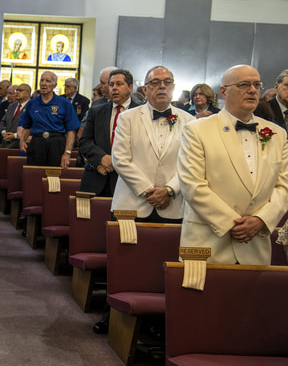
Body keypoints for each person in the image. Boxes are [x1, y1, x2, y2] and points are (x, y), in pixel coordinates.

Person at [179, 64, 288, 265]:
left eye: (257, 84)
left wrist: (261, 220)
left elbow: (283, 186)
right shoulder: (197, 130)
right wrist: (234, 224)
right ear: (223, 91)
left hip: (255, 245)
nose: (253, 90)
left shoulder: (277, 135)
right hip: (208, 242)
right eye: (244, 85)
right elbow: (192, 185)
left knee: (251, 297)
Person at [111, 65, 194, 224]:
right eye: (155, 82)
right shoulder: (127, 118)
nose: (162, 86)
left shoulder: (190, 121)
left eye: (167, 82)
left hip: (173, 206)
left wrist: (169, 190)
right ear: (145, 89)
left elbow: (191, 164)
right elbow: (120, 159)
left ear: (173, 87)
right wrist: (148, 192)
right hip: (131, 204)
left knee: (168, 250)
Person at [78, 68, 141, 198]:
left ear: (130, 87)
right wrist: (101, 158)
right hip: (98, 176)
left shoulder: (142, 111)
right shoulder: (96, 111)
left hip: (129, 181)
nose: (114, 88)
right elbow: (84, 141)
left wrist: (118, 162)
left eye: (119, 84)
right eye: (111, 85)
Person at [17, 71, 81, 169]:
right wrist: (22, 141)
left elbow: (71, 130)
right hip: (37, 143)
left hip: (57, 143)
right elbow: (27, 126)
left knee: (54, 177)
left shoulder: (64, 103)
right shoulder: (32, 103)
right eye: (42, 80)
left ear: (54, 85)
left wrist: (67, 153)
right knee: (35, 175)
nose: (43, 83)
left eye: (48, 81)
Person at [0, 84, 31, 149]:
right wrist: (4, 133)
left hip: (20, 145)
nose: (17, 92)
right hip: (5, 144)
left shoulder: (32, 107)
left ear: (27, 93)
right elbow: (3, 121)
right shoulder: (11, 106)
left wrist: (15, 135)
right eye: (17, 90)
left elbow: (31, 127)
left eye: (20, 90)